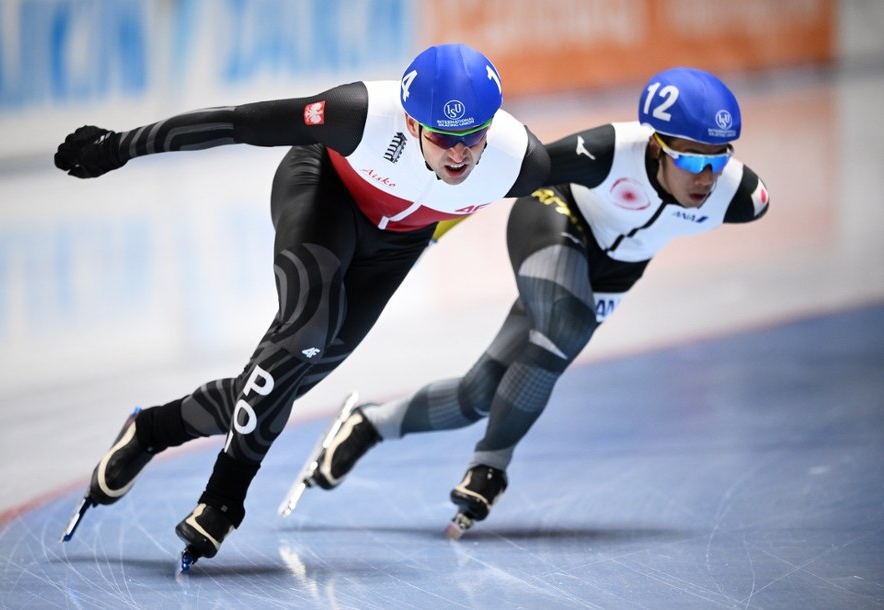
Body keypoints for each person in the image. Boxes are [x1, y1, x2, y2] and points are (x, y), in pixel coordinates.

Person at [54, 43, 551, 563]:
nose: (460, 154)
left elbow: (589, 178)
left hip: (397, 244)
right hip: (324, 194)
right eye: (445, 137)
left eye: (473, 137)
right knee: (306, 334)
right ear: (409, 122)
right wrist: (118, 147)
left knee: (281, 383)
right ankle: (223, 500)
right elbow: (238, 124)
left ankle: (153, 429)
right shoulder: (358, 116)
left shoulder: (523, 161)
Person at [306, 67, 770, 535]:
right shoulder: (607, 152)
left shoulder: (743, 198)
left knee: (479, 395)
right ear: (654, 146)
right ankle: (491, 467)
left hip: (612, 272)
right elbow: (495, 177)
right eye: (691, 161)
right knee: (567, 323)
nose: (706, 176)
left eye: (718, 159)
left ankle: (369, 425)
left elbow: (722, 187)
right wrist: (421, 234)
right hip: (553, 216)